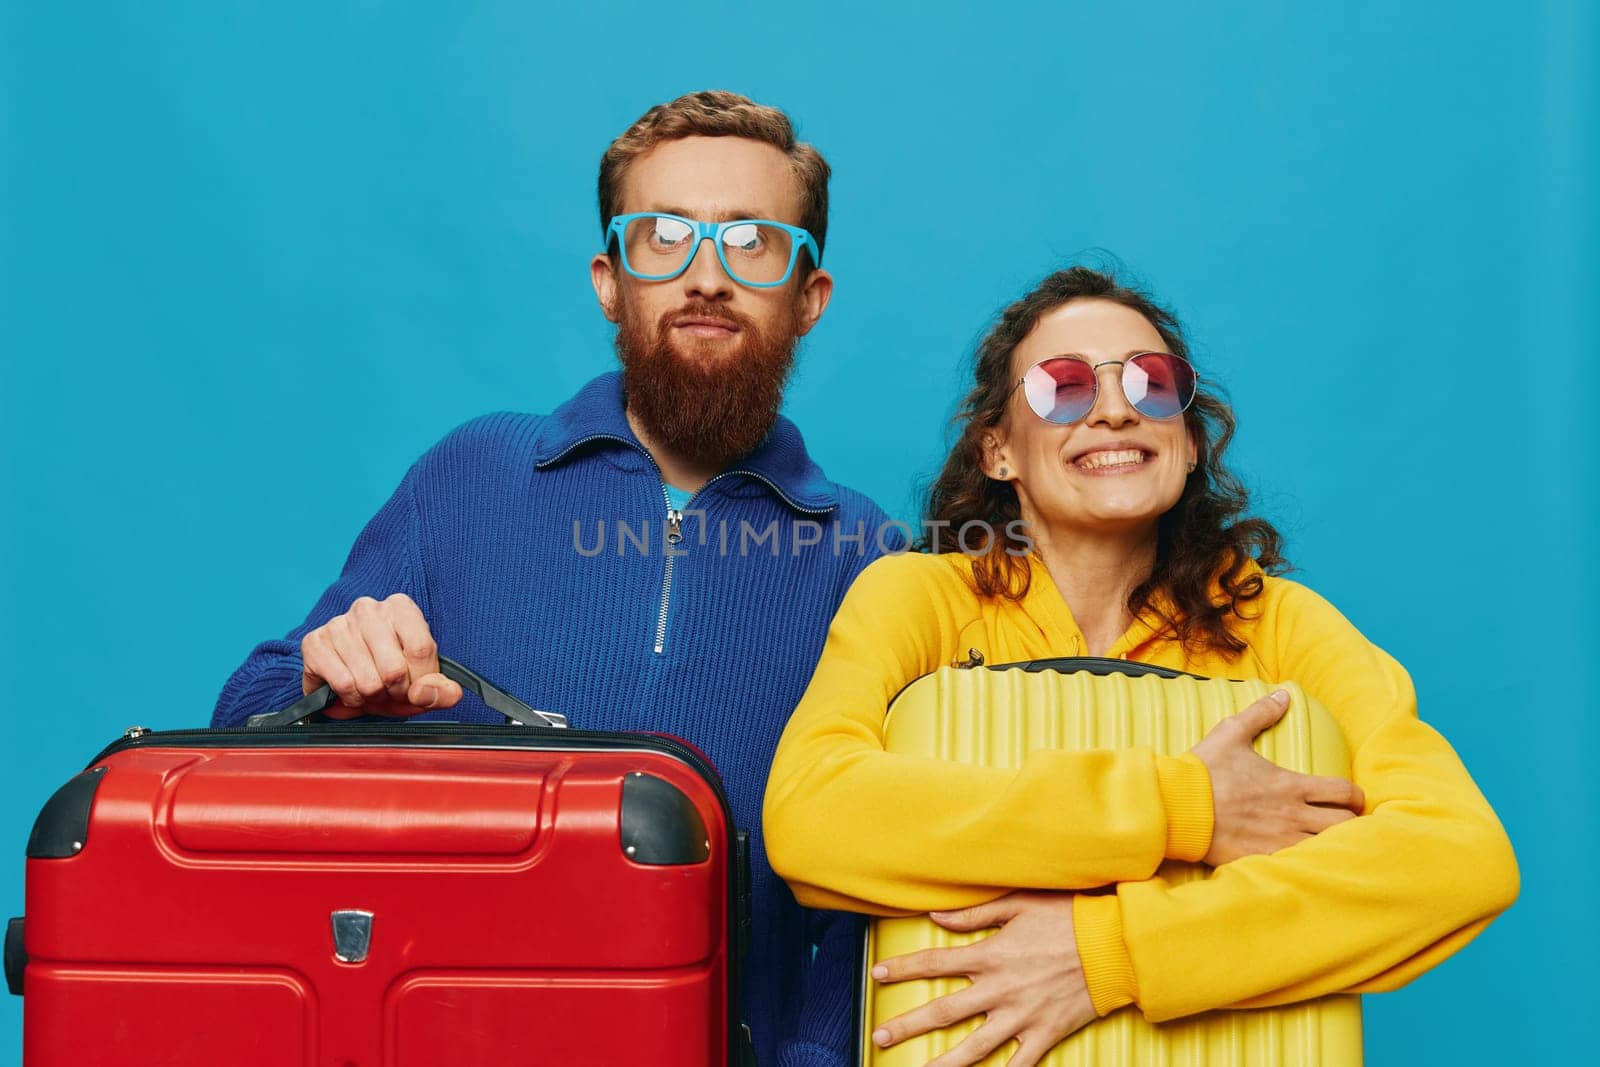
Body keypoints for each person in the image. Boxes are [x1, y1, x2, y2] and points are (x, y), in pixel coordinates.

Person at [212, 90, 898, 1067]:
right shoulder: (470, 472)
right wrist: (323, 675)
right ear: (608, 280)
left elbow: (889, 877)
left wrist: (814, 1054)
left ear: (809, 295)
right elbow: (246, 710)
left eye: (751, 242)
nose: (704, 274)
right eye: (661, 236)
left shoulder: (867, 554)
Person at [763, 266, 1519, 1066]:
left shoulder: (1277, 624)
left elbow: (1459, 857)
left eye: (1154, 384)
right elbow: (813, 815)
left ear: (1190, 442)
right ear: (998, 450)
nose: (1118, 408)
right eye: (1063, 387)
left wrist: (1111, 951)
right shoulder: (920, 598)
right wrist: (1185, 810)